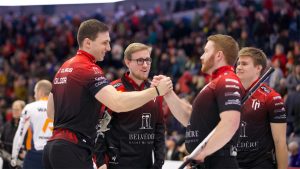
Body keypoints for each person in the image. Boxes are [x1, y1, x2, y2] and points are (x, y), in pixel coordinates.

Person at [43, 19, 172, 169]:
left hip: (53, 148)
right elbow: (117, 102)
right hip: (73, 149)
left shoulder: (63, 67)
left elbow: (51, 112)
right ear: (88, 43)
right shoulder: (88, 68)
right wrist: (156, 91)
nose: (109, 48)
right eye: (104, 42)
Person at [153, 34, 244, 168]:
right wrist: (168, 93)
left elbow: (231, 122)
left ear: (219, 55)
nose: (201, 56)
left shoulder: (227, 80)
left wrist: (202, 153)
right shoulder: (213, 84)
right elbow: (192, 120)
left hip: (217, 162)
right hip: (207, 162)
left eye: (206, 51)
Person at [96, 43, 165, 169]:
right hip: (118, 164)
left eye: (148, 60)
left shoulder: (156, 91)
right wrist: (100, 163)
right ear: (127, 62)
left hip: (146, 165)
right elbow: (100, 128)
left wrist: (159, 163)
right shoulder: (113, 90)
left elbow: (159, 130)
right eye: (140, 60)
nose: (145, 65)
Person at [236, 47, 288, 169]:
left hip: (260, 164)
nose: (238, 67)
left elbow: (280, 143)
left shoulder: (272, 98)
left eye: (244, 64)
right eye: (238, 63)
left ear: (258, 68)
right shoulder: (227, 95)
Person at [11, 80, 53, 169]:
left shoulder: (30, 108)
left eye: (35, 92)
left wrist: (14, 157)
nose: (34, 96)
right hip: (54, 154)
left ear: (40, 92)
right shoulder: (60, 107)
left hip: (35, 155)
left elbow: (20, 134)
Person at [0, 100, 25, 169]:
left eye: (17, 109)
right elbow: (2, 142)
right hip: (6, 161)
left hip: (20, 163)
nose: (14, 111)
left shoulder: (26, 127)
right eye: (13, 109)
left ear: (23, 110)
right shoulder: (6, 125)